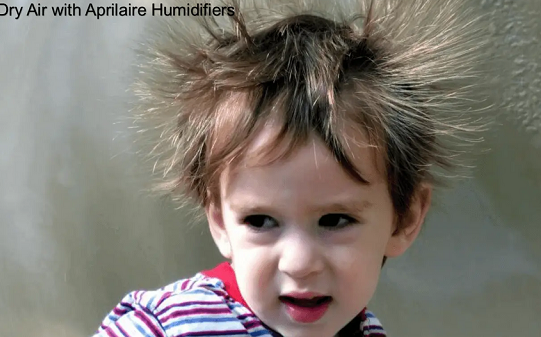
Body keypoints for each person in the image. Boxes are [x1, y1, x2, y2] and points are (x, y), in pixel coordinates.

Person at [94, 0, 493, 335]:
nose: (299, 262)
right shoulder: (167, 326)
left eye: (335, 220)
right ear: (219, 220)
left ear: (404, 218)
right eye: (261, 221)